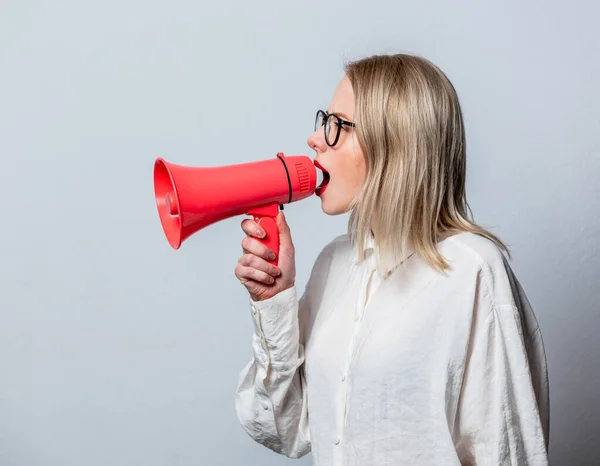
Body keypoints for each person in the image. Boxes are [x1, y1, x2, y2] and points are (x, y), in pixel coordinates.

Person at [233, 53, 550, 465]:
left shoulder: (473, 270)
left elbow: (508, 449)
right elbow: (285, 430)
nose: (314, 139)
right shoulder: (333, 264)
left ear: (393, 142)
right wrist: (274, 301)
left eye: (336, 126)